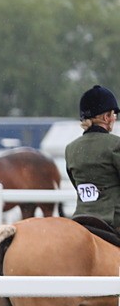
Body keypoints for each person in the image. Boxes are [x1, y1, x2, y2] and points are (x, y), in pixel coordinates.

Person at [65, 84, 120, 230]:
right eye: (113, 114)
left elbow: (77, 184)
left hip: (81, 218)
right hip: (113, 222)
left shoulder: (71, 149)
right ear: (106, 117)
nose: (114, 118)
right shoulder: (115, 144)